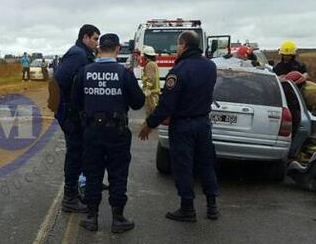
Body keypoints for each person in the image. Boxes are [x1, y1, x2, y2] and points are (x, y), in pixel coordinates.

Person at [138, 31, 219, 222]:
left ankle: (187, 208)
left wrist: (149, 124)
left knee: (183, 166)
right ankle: (212, 206)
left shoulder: (179, 70)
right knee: (207, 164)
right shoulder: (210, 67)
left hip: (183, 125)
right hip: (203, 123)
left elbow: (167, 104)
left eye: (178, 46)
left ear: (183, 45)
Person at [72, 33, 145, 233]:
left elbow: (75, 100)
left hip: (92, 130)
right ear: (118, 49)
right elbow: (138, 102)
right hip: (117, 132)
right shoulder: (124, 73)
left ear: (98, 49)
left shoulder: (85, 72)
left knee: (93, 173)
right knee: (118, 174)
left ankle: (91, 217)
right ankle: (118, 218)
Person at [53, 24, 100, 213]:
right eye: (95, 38)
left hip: (75, 113)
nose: (97, 43)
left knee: (79, 153)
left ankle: (74, 193)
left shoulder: (84, 54)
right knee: (74, 154)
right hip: (71, 114)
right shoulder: (78, 54)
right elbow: (59, 81)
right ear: (85, 37)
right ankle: (69, 197)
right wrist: (72, 107)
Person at [141, 45, 160, 117]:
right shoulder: (154, 64)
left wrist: (146, 90)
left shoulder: (149, 65)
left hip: (151, 94)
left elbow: (150, 79)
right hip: (154, 93)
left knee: (150, 114)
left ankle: (149, 127)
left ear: (146, 56)